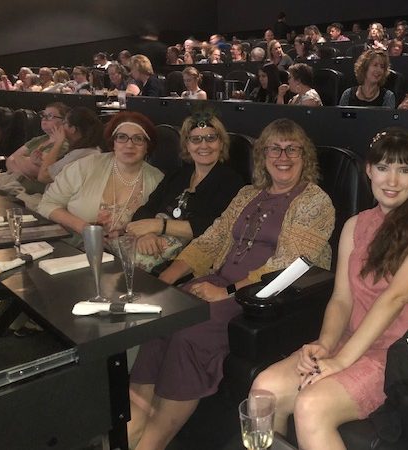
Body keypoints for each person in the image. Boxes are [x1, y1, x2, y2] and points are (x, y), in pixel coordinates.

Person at [127, 118, 335, 450]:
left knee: (187, 335)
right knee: (160, 318)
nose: (282, 156)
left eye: (292, 149)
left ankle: (150, 444)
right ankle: (131, 428)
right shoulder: (247, 194)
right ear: (262, 156)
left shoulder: (315, 201)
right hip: (217, 281)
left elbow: (288, 265)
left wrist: (225, 292)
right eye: (274, 149)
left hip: (260, 298)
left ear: (305, 156)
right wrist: (164, 282)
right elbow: (210, 241)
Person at [252, 128, 408, 450]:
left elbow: (395, 297)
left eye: (403, 170)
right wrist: (325, 344)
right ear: (369, 170)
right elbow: (342, 299)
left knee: (311, 405)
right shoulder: (355, 226)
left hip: (398, 351)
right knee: (265, 391)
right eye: (383, 168)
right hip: (351, 339)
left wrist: (341, 361)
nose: (392, 180)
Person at [126, 113, 244, 272]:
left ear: (221, 143)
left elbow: (214, 228)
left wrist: (159, 225)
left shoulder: (232, 182)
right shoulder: (177, 174)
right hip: (149, 246)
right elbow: (146, 209)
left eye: (211, 138)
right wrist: (147, 235)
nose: (204, 145)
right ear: (187, 145)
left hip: (187, 261)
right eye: (196, 139)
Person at [38, 111, 163, 244]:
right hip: (75, 247)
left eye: (138, 139)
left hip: (126, 253)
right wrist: (84, 228)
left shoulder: (158, 180)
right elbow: (47, 204)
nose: (129, 145)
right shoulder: (84, 167)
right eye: (121, 137)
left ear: (147, 146)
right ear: (113, 143)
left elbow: (161, 224)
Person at [3, 102, 70, 193]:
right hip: (15, 184)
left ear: (63, 121)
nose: (44, 119)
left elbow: (40, 171)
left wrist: (19, 159)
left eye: (50, 116)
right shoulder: (38, 139)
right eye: (43, 115)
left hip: (36, 191)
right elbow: (10, 160)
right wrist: (22, 170)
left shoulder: (63, 144)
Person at [37, 106, 104, 184]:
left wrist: (58, 143)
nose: (61, 126)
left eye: (64, 123)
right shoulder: (92, 150)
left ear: (73, 129)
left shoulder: (79, 154)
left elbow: (43, 177)